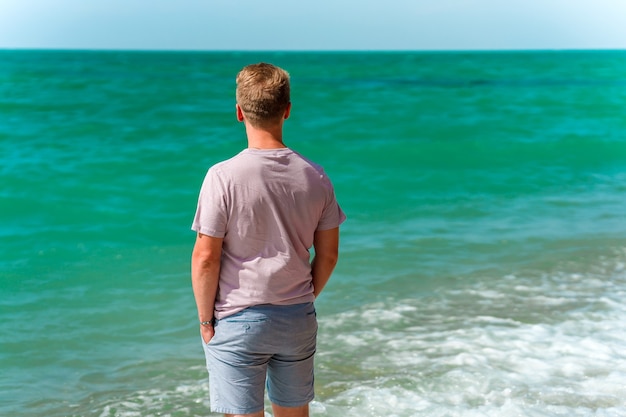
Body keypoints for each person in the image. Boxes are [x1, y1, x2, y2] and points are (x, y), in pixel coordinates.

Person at [191, 63, 346, 417]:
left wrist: (205, 321)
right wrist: (300, 298)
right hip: (296, 317)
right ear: (287, 111)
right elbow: (329, 256)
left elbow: (205, 258)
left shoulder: (222, 177)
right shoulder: (316, 176)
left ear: (239, 112)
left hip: (238, 318)